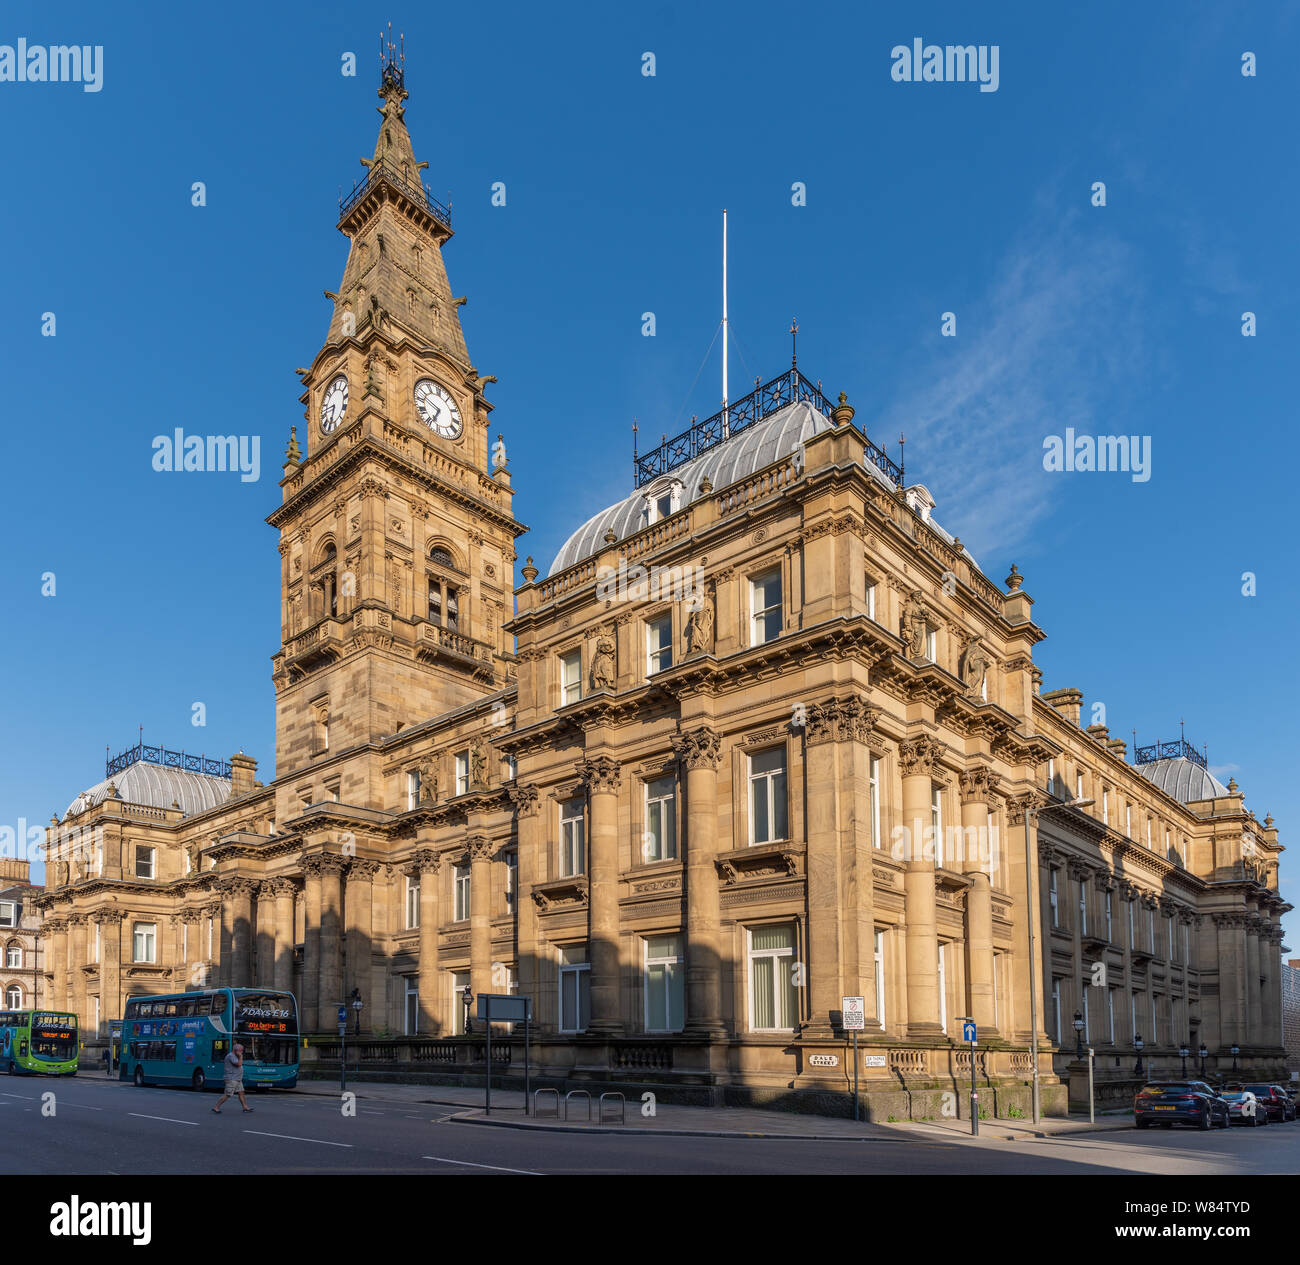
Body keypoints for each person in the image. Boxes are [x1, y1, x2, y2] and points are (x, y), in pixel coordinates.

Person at [211, 1042, 253, 1114]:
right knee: (228, 1094)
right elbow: (239, 1064)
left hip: (237, 1079)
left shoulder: (235, 1056)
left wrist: (239, 1056)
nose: (242, 1052)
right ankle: (216, 1107)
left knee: (241, 1092)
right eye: (241, 1050)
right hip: (232, 1079)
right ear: (236, 1050)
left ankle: (245, 1107)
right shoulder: (231, 1056)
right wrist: (241, 1056)